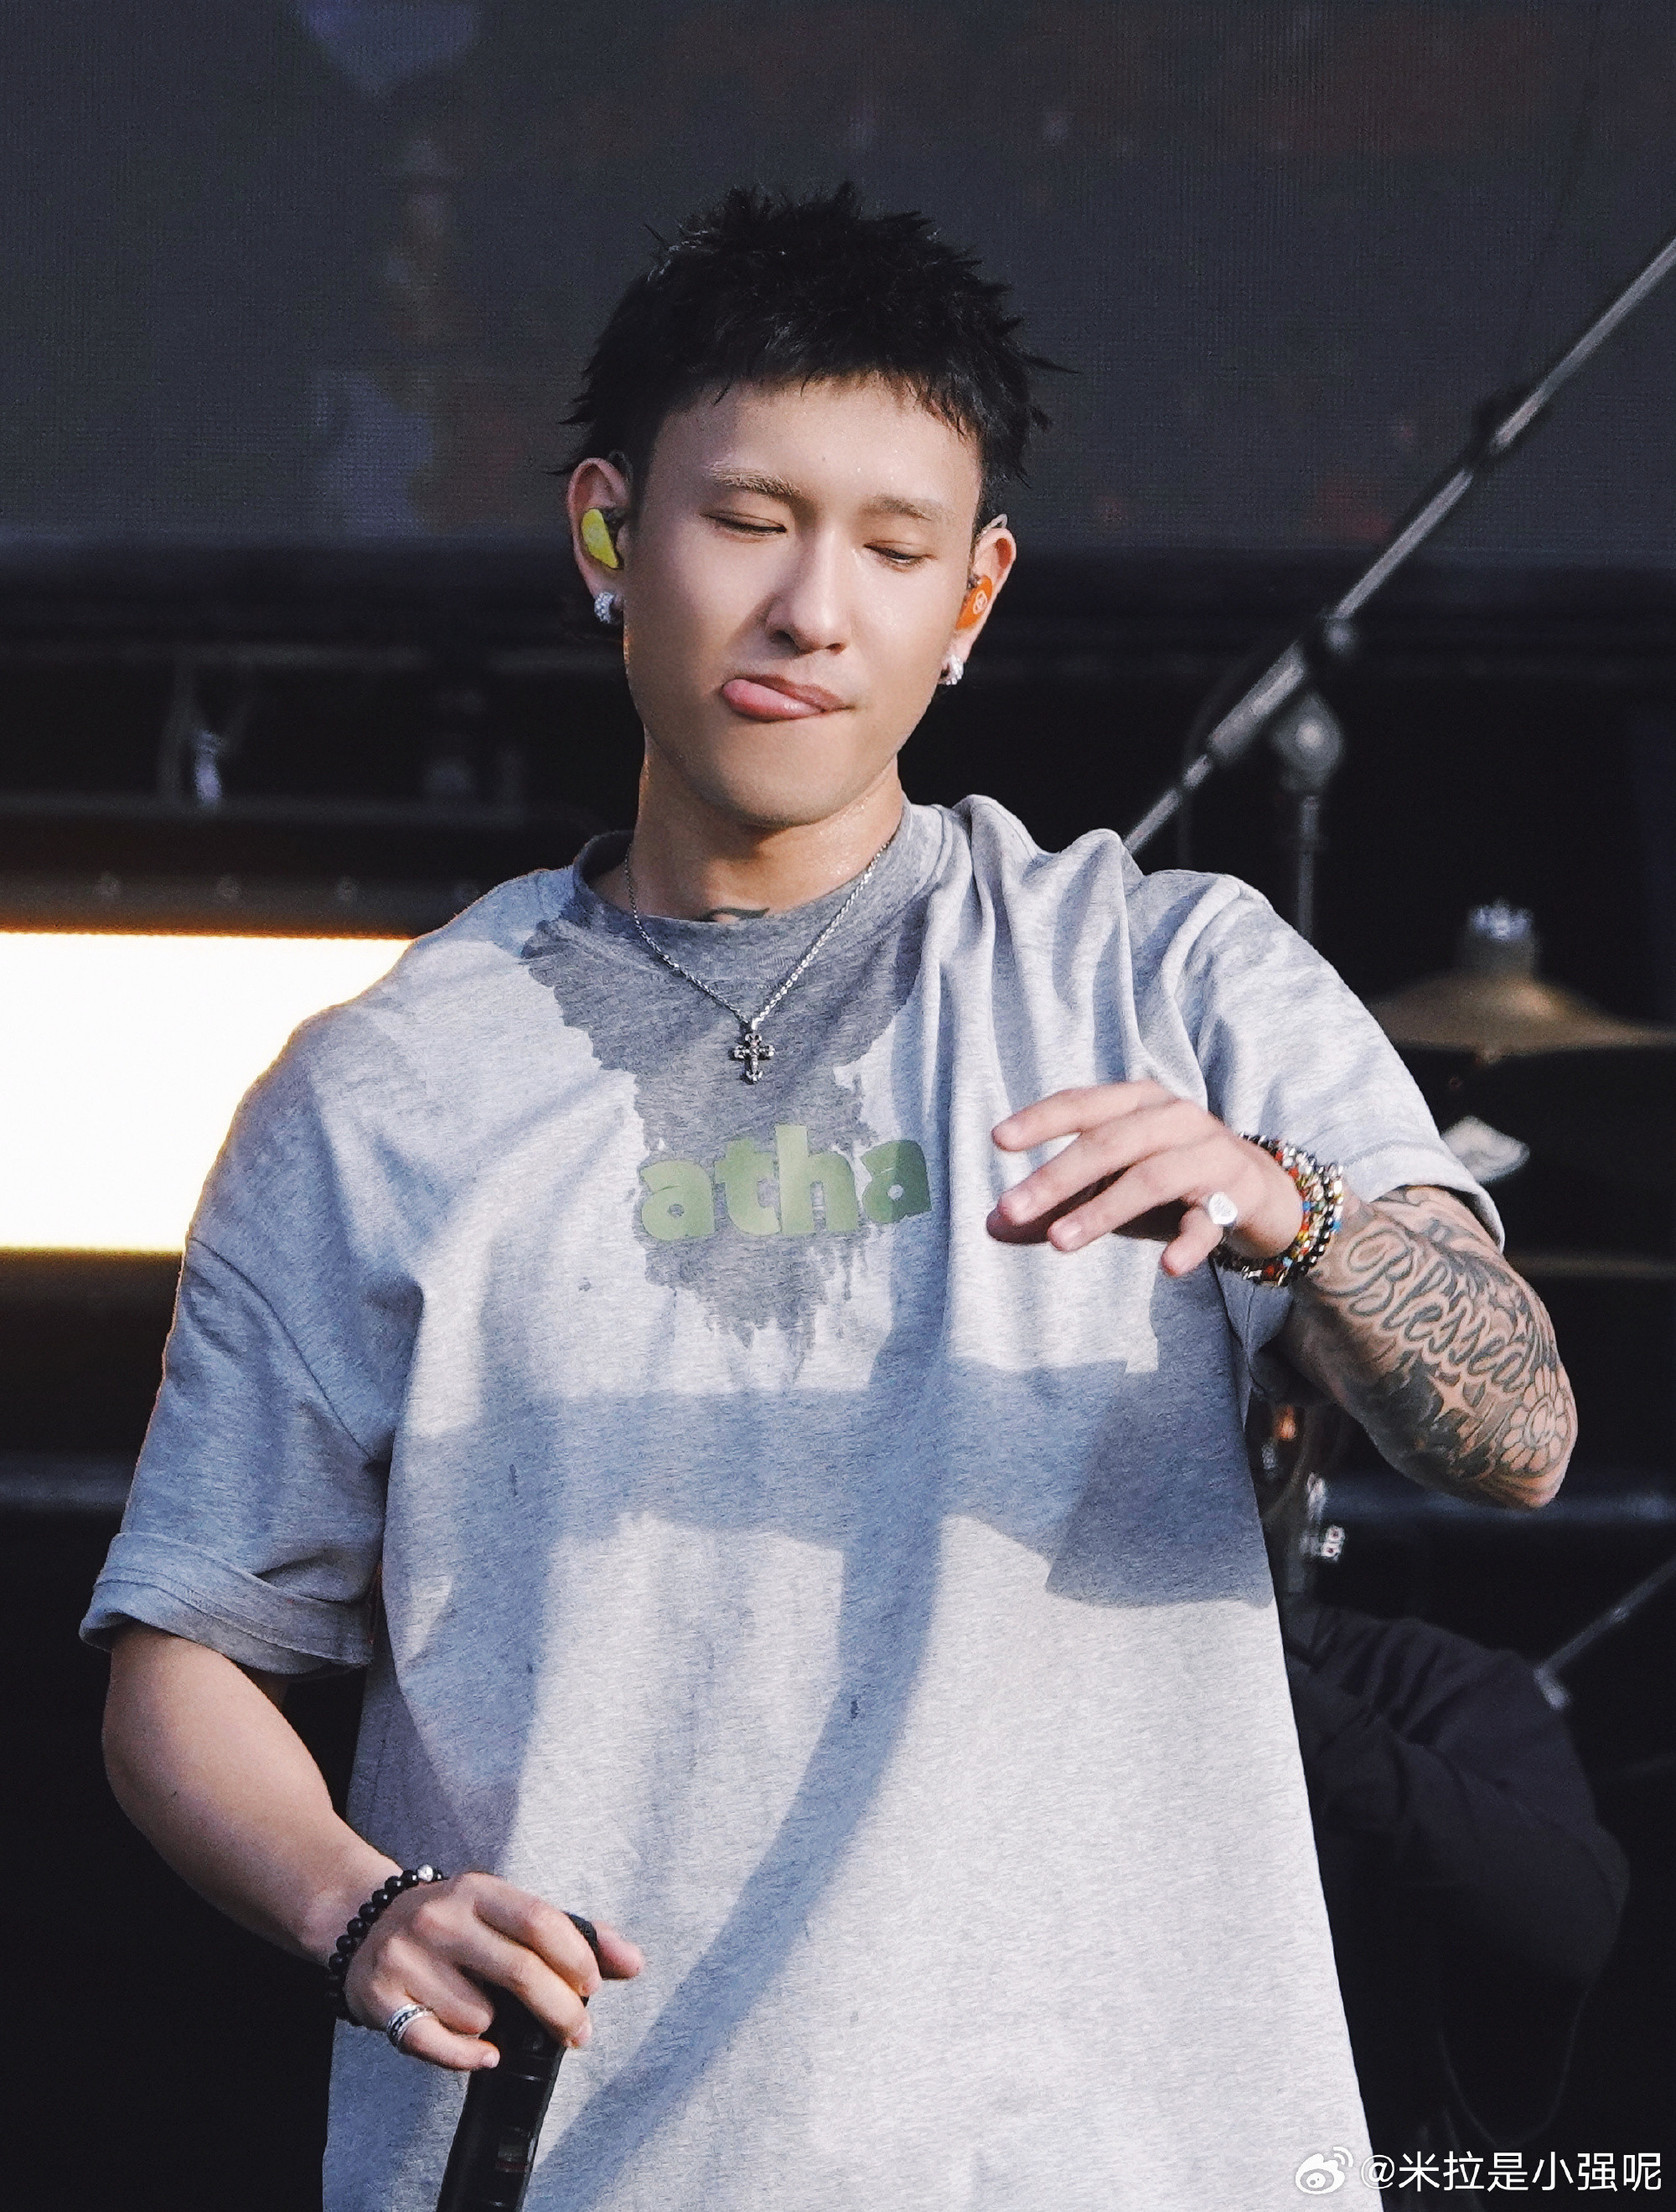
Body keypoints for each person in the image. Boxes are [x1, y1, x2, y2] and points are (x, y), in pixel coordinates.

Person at [86, 185, 1576, 2211]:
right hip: (593, 2161)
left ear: (972, 599)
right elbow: (182, 1659)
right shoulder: (389, 1086)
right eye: (749, 520)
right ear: (607, 535)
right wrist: (358, 1908)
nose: (814, 608)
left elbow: (1519, 1430)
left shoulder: (1173, 974)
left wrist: (1291, 1214)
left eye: (892, 548)